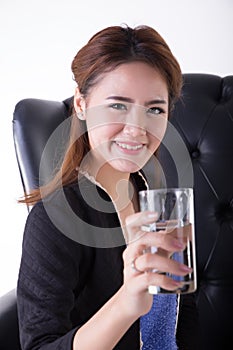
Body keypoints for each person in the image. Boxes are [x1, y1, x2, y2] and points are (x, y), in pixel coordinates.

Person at [17, 24, 198, 350]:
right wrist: (126, 303)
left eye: (154, 109)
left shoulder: (156, 200)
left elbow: (181, 322)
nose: (137, 129)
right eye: (118, 105)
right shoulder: (53, 219)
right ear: (82, 104)